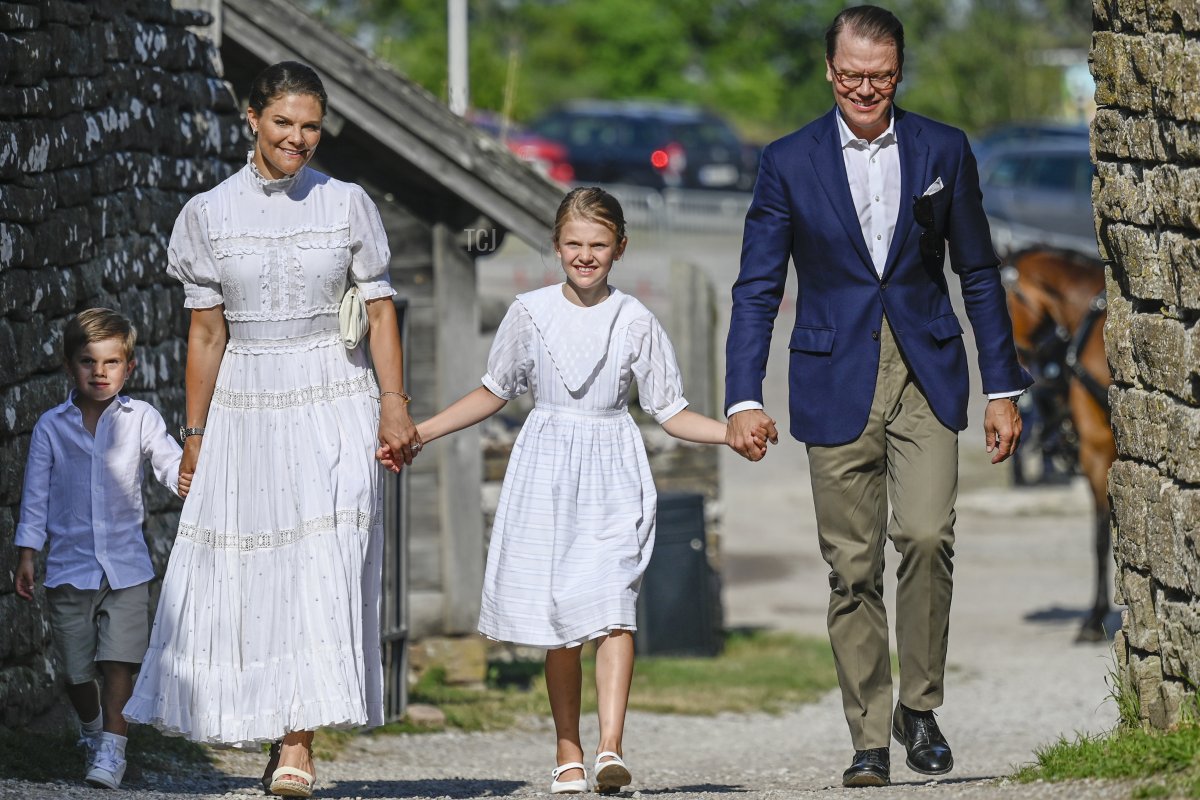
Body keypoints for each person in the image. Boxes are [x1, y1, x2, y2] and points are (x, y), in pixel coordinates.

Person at [723, 6, 1033, 788]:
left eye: (882, 76)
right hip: (832, 377)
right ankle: (869, 737)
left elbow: (978, 273)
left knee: (927, 535)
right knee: (851, 568)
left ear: (899, 73)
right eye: (853, 75)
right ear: (830, 71)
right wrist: (742, 397)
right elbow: (757, 287)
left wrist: (1003, 386)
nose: (866, 89)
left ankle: (918, 706)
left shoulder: (943, 149)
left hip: (926, 370)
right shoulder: (787, 161)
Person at [122, 61, 418, 798]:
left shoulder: (346, 204)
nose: (298, 138)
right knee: (260, 570)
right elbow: (205, 335)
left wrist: (394, 402)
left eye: (311, 126)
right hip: (248, 399)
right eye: (284, 122)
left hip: (334, 392)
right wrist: (195, 435)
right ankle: (272, 717)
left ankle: (298, 744)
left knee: (326, 557)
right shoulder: (208, 214)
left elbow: (379, 310)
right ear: (252, 118)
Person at [404, 187, 742, 795]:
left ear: (620, 248)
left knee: (614, 606)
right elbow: (494, 390)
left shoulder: (635, 319)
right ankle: (568, 749)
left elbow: (670, 411)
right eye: (574, 244)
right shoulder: (530, 312)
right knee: (561, 620)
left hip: (613, 468)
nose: (586, 255)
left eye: (599, 245)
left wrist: (729, 433)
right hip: (548, 471)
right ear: (556, 246)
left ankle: (611, 748)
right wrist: (422, 431)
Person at [15, 308, 184, 790]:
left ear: (129, 367)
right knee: (75, 672)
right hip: (69, 569)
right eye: (88, 362)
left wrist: (186, 478)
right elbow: (35, 495)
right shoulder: (51, 427)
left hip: (127, 569)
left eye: (111, 362)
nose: (100, 372)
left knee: (119, 662)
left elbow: (168, 461)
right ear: (70, 366)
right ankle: (91, 731)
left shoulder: (141, 418)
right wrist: (27, 553)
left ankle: (112, 751)